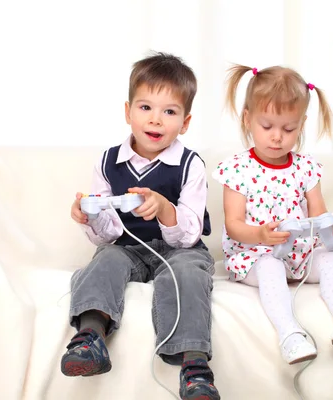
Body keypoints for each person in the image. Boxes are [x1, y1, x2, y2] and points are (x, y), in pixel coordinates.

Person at [62, 52, 220, 400]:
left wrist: (165, 209)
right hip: (128, 249)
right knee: (104, 260)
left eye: (170, 112)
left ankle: (194, 366)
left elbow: (191, 231)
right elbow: (108, 233)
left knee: (188, 275)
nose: (156, 120)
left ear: (186, 122)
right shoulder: (108, 161)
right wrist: (89, 214)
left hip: (179, 250)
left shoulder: (189, 165)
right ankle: (90, 338)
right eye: (146, 108)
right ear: (128, 111)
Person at [211, 64, 333, 365]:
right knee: (269, 265)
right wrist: (261, 235)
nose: (277, 137)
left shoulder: (306, 168)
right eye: (267, 127)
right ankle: (290, 333)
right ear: (248, 119)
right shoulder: (237, 169)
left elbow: (318, 215)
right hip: (255, 255)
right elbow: (234, 225)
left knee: (329, 257)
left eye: (288, 129)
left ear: (301, 125)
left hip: (297, 256)